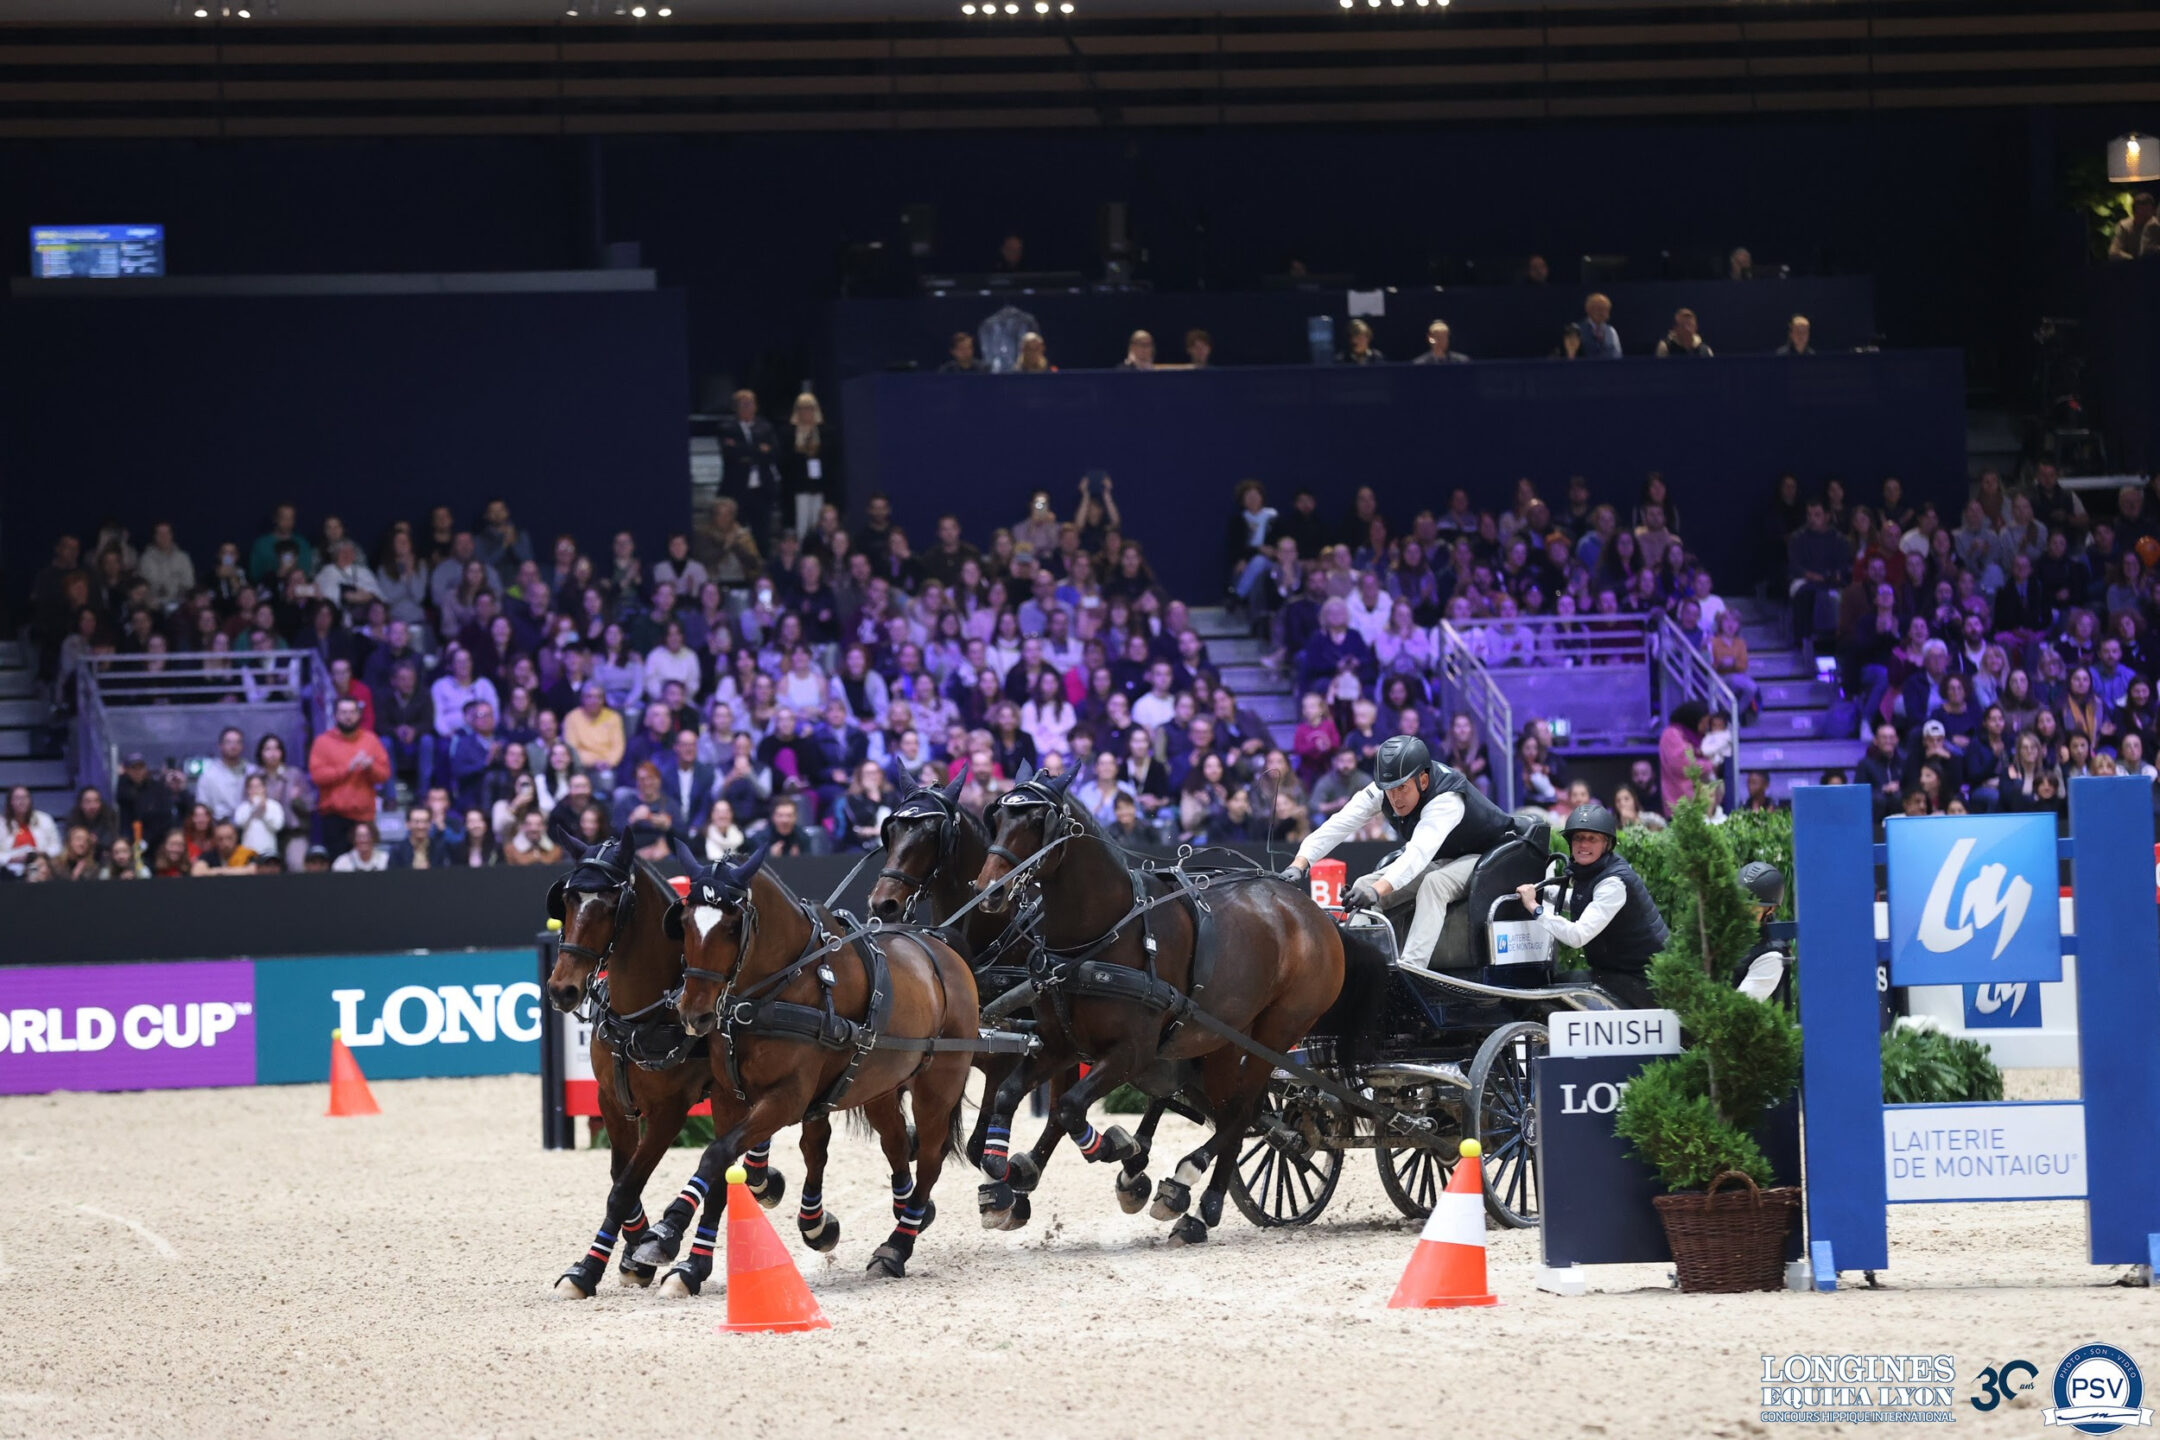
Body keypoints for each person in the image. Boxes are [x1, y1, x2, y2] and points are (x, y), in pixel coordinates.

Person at [1281, 734, 1515, 969]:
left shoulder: (1447, 799)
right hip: (1445, 857)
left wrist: (1377, 891)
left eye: (1402, 788)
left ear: (1423, 781)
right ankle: (1362, 968)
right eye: (1389, 789)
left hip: (1489, 857)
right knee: (1362, 884)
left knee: (1435, 884)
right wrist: (1300, 863)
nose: (1394, 798)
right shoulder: (1386, 787)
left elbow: (1418, 854)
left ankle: (1412, 971)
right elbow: (1340, 823)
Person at [1512, 803, 1670, 1010]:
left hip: (1645, 982)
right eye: (1578, 838)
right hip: (1620, 973)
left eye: (1592, 839)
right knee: (1556, 985)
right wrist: (1543, 891)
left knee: (1549, 995)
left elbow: (1577, 936)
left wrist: (1535, 907)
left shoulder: (1614, 883)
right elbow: (1582, 900)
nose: (1583, 845)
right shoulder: (1597, 871)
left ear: (1607, 844)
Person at [307, 695, 390, 857]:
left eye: (352, 712)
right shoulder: (323, 741)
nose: (348, 716)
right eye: (343, 712)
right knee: (337, 869)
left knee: (365, 869)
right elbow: (317, 776)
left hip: (363, 817)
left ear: (359, 715)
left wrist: (370, 767)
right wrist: (347, 768)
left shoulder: (370, 740)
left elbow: (384, 775)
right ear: (336, 715)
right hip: (333, 817)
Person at [1731, 861, 1793, 1005]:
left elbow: (1738, 1009)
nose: (1741, 913)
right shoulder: (1730, 933)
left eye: (1751, 909)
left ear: (1770, 909)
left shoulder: (1772, 956)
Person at [2109, 192, 2158, 262]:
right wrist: (2132, 260)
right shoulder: (2125, 226)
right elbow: (2114, 252)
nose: (2145, 218)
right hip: (2130, 267)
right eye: (2141, 213)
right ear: (2134, 213)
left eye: (2148, 214)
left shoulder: (2156, 225)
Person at [1576, 293, 1621, 358]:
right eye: (1598, 309)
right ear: (1588, 309)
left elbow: (1617, 356)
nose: (1602, 312)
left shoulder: (1611, 331)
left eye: (1605, 309)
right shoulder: (1576, 330)